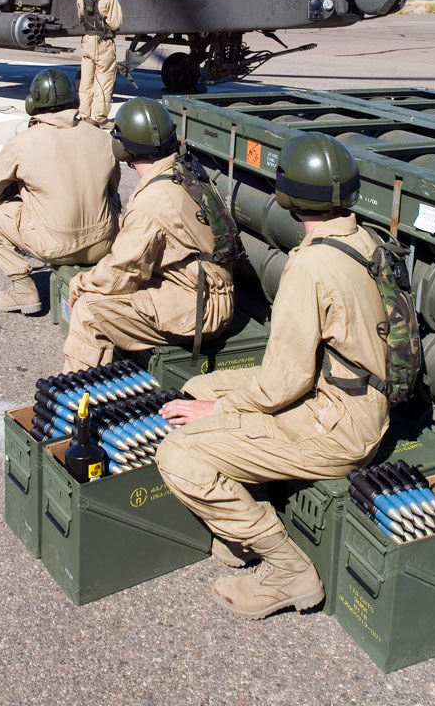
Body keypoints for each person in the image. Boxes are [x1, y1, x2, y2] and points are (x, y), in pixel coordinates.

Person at [155, 133, 389, 620]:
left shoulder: (311, 266)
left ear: (287, 195)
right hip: (353, 400)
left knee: (180, 453)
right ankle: (241, 529)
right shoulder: (365, 241)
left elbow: (285, 382)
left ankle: (287, 569)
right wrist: (215, 400)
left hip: (335, 424)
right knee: (199, 386)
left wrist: (221, 411)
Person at [62, 98, 234, 372]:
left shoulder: (153, 199)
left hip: (200, 307)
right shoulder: (186, 171)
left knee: (89, 311)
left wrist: (81, 284)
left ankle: (76, 404)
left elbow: (121, 271)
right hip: (205, 292)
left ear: (121, 147)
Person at [0, 68, 121, 315]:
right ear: (75, 101)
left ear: (32, 105)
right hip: (104, 242)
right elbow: (113, 190)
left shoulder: (23, 142)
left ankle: (22, 289)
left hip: (54, 246)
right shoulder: (101, 138)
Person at [76, 0, 123, 127]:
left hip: (87, 40)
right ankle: (100, 118)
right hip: (103, 42)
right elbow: (116, 23)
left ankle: (83, 115)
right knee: (104, 80)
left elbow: (81, 17)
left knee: (86, 80)